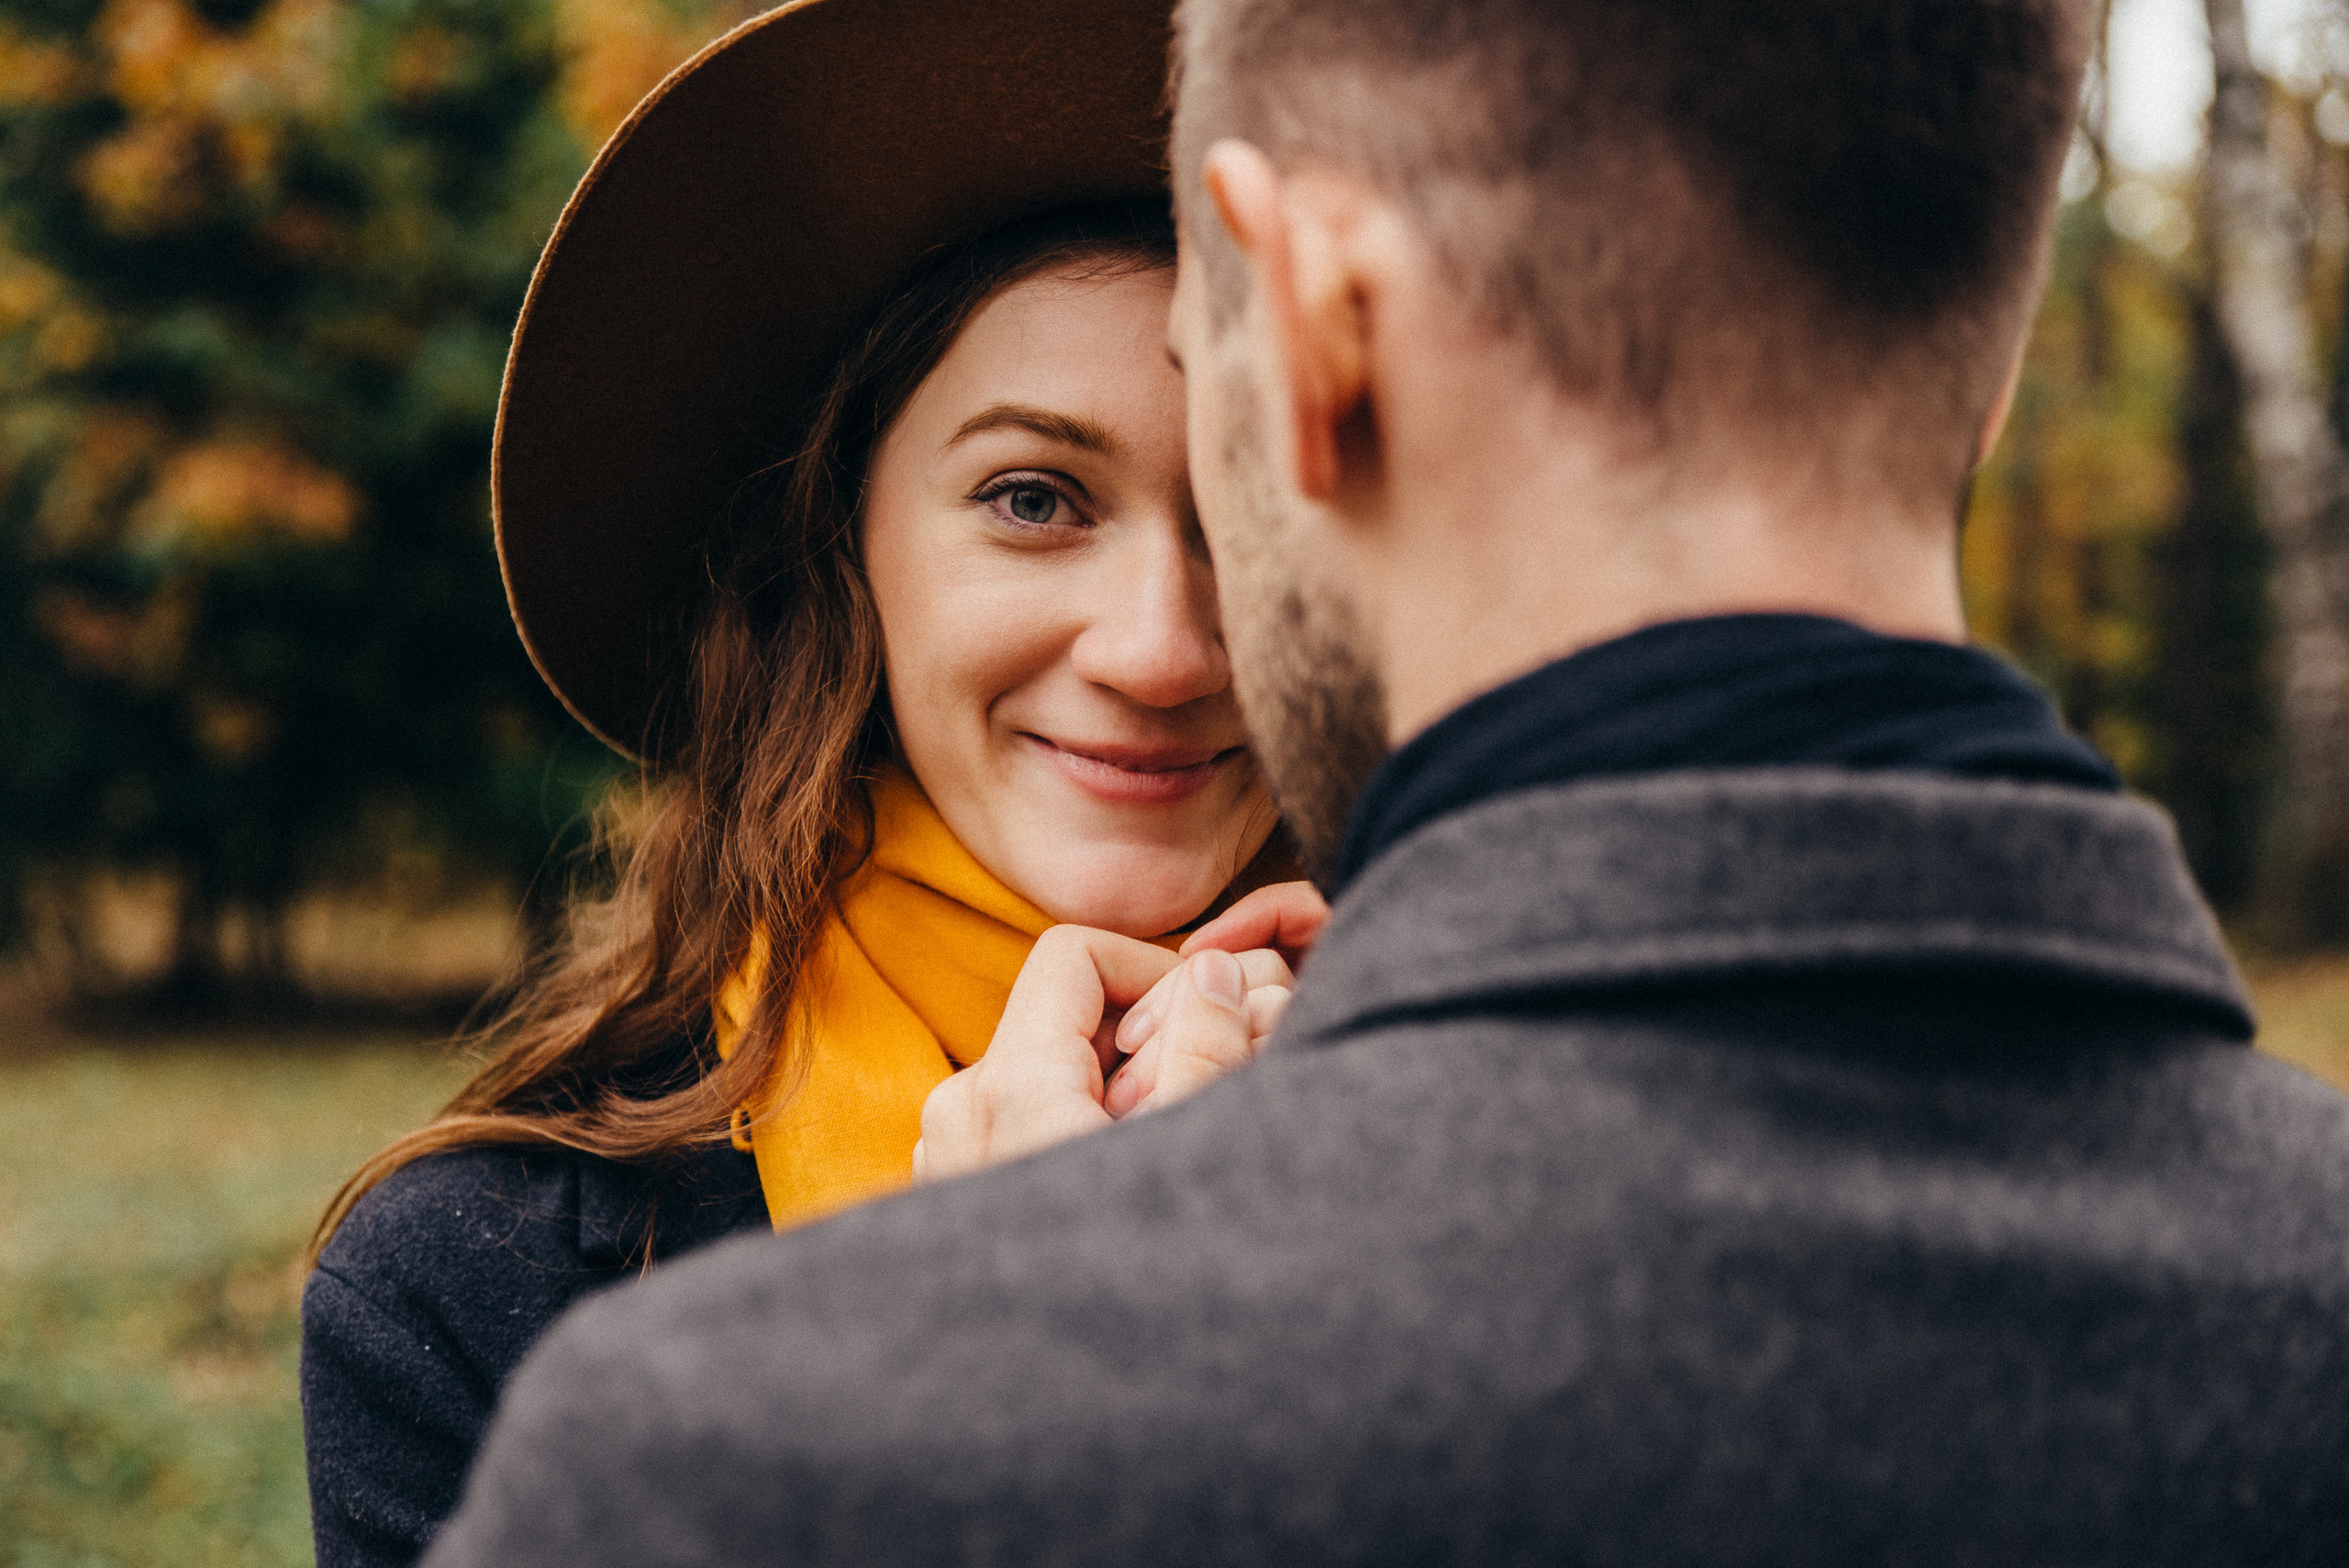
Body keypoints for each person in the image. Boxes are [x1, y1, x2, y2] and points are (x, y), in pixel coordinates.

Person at [424, 0, 2349, 1562]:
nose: (1166, 646)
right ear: (1978, 387)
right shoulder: (502, 1294)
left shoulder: (722, 1475)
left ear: (1315, 338)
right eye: (1033, 497)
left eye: (1206, 387)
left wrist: (1021, 1373)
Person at [297, 3, 1308, 1563]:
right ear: (844, 554)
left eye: (1254, 508)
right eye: (1035, 497)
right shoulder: (469, 1294)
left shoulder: (1550, 1155)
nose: (1164, 646)